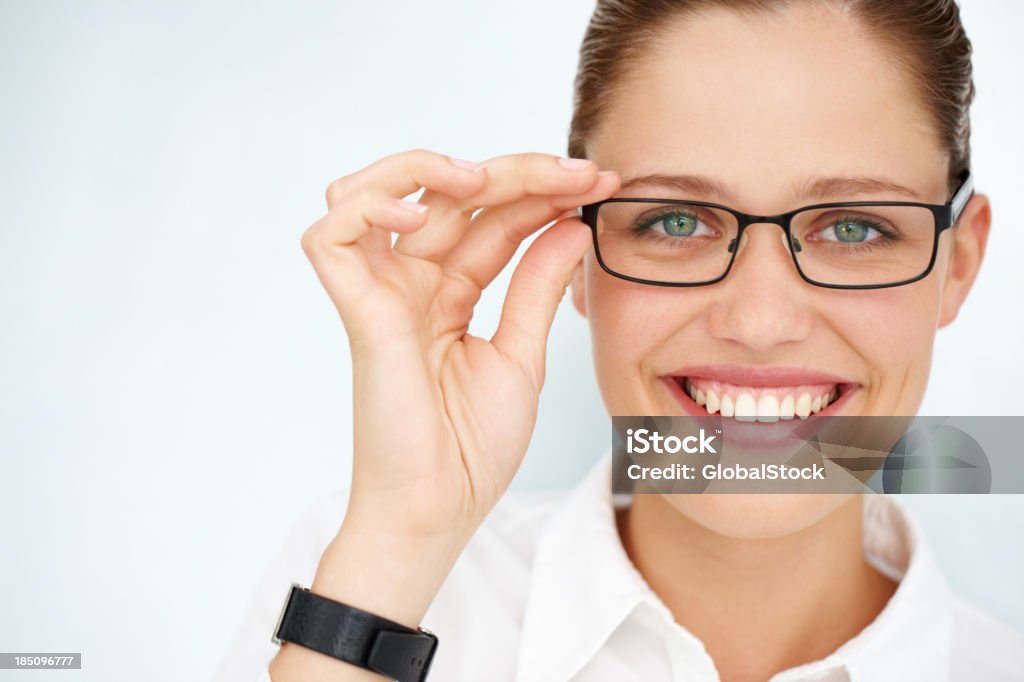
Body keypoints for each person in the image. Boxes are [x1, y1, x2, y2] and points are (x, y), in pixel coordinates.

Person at [216, 1, 1024, 680]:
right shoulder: (358, 575)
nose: (760, 320)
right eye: (675, 221)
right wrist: (399, 546)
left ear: (957, 265)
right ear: (571, 249)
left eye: (854, 226)